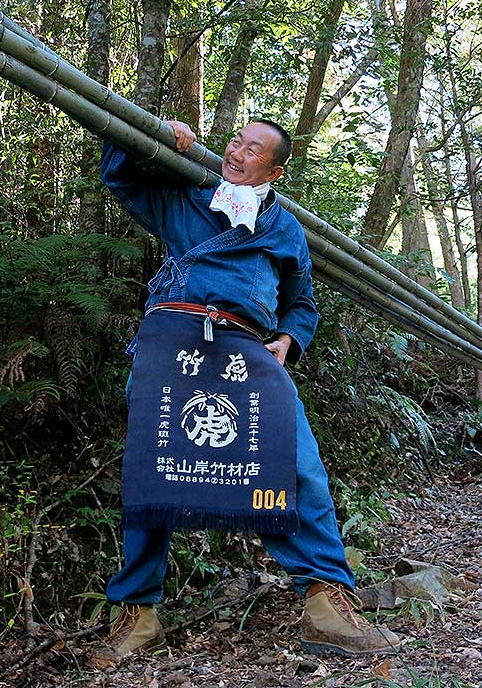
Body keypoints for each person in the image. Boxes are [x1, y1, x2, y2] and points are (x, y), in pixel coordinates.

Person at [91, 119, 400, 665]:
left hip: (247, 346)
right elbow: (123, 180)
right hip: (174, 334)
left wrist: (289, 337)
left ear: (275, 170)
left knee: (296, 463)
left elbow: (302, 302)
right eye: (235, 140)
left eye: (252, 149)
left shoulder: (284, 229)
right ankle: (138, 613)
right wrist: (156, 141)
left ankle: (326, 604)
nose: (236, 152)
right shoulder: (188, 190)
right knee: (154, 471)